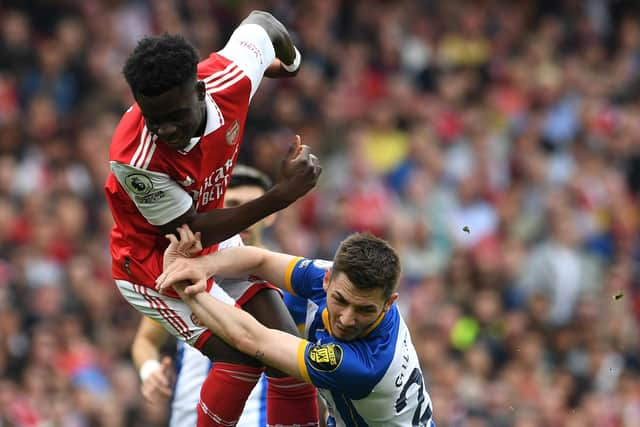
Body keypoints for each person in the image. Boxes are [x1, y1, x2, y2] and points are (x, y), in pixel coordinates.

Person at [104, 10, 321, 427]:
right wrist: (280, 196)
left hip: (209, 244)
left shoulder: (231, 77)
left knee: (291, 356)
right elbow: (192, 229)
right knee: (241, 356)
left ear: (201, 91)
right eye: (154, 120)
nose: (165, 130)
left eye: (176, 116)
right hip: (150, 264)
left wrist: (291, 65)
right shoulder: (134, 158)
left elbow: (263, 22)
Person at [156, 227, 436, 427]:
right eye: (340, 300)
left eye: (365, 310)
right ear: (327, 279)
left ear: (389, 303)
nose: (347, 319)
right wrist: (204, 266)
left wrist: (189, 288)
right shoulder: (334, 276)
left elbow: (253, 340)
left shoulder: (361, 365)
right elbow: (261, 261)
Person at [131, 165, 310, 427]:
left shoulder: (288, 280)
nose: (244, 216)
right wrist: (150, 371)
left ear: (269, 215)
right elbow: (145, 340)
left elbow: (301, 362)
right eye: (234, 205)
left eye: (253, 205)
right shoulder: (186, 272)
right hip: (190, 417)